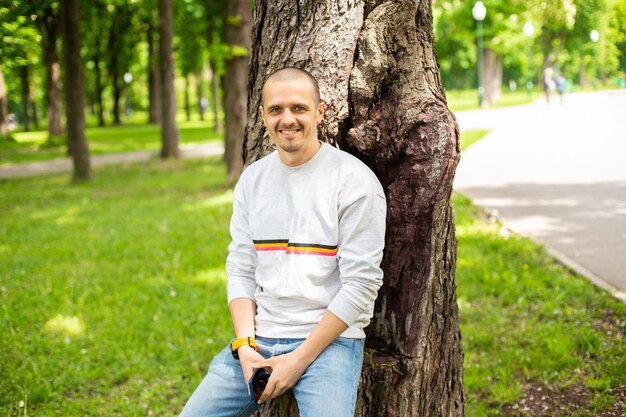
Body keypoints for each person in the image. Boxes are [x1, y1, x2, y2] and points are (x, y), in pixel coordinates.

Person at [178, 67, 387, 417]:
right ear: (262, 116)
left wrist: (297, 360)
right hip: (259, 340)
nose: (287, 119)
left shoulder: (354, 182)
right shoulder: (253, 180)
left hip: (329, 344)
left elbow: (362, 285)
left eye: (299, 108)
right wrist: (245, 345)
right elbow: (241, 267)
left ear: (320, 112)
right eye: (276, 109)